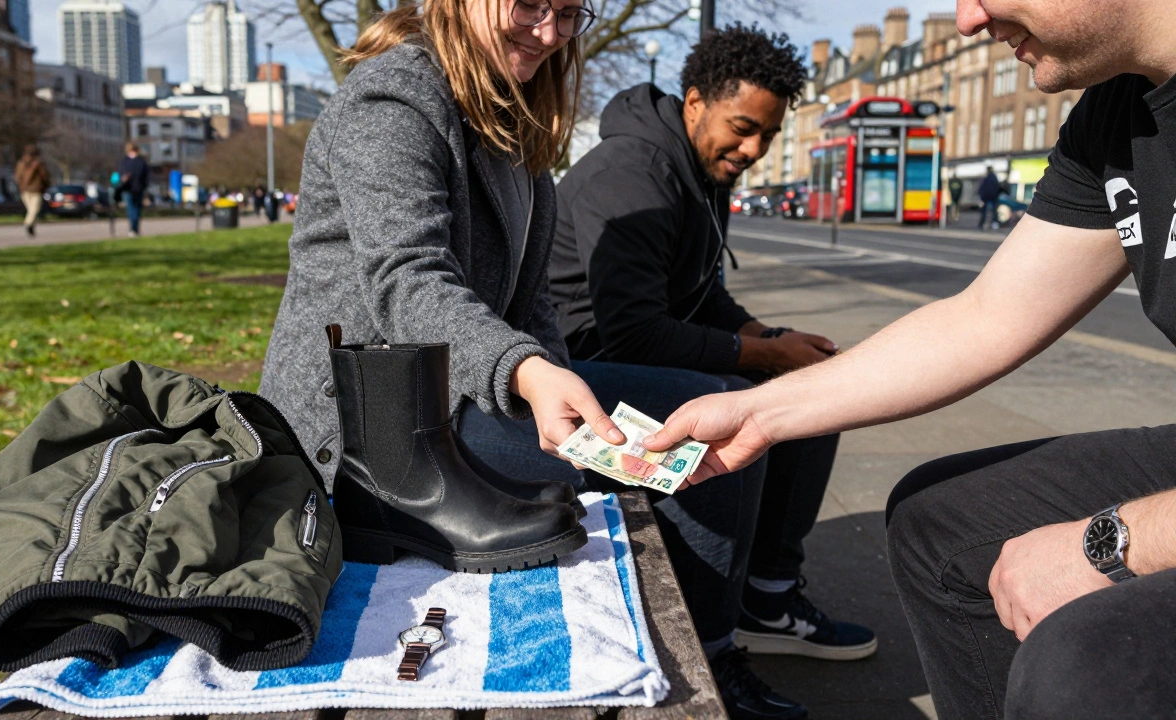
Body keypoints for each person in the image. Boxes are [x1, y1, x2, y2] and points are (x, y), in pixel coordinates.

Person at [638, 0, 1176, 717]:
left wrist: (1110, 543)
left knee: (1083, 661)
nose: (965, 18)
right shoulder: (1119, 112)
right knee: (935, 526)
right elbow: (986, 317)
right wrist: (757, 412)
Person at [544, 23, 870, 719]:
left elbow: (702, 297)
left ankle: (769, 600)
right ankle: (713, 649)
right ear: (695, 103)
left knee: (810, 390)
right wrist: (761, 356)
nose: (753, 150)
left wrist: (773, 339)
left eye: (769, 136)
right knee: (730, 406)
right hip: (573, 373)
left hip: (627, 352)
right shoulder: (633, 174)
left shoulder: (697, 169)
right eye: (744, 128)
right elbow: (632, 329)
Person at [260, 0, 618, 569]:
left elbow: (533, 301)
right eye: (530, 4)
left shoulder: (509, 115)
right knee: (689, 435)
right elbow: (407, 276)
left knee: (700, 410)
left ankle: (739, 624)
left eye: (571, 12)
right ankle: (715, 645)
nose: (550, 32)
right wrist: (527, 373)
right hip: (366, 436)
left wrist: (556, 386)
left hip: (457, 395)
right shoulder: (392, 99)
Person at [13, 145, 50, 237]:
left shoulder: (20, 164)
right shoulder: (38, 164)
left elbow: (17, 177)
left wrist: (20, 185)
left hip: (24, 190)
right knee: (34, 209)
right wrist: (46, 184)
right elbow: (45, 176)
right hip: (36, 189)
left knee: (31, 210)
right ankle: (28, 224)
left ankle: (31, 227)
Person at [116, 142, 149, 237]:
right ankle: (133, 228)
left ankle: (134, 228)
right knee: (133, 209)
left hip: (135, 188)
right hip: (131, 189)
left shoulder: (138, 162)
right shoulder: (129, 162)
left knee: (134, 209)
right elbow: (120, 174)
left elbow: (145, 176)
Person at [977, 165, 1001, 229]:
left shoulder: (986, 178)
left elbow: (982, 188)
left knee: (984, 211)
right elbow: (997, 187)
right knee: (994, 210)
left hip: (986, 197)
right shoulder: (994, 178)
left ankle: (982, 224)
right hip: (993, 196)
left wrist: (981, 196)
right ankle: (995, 224)